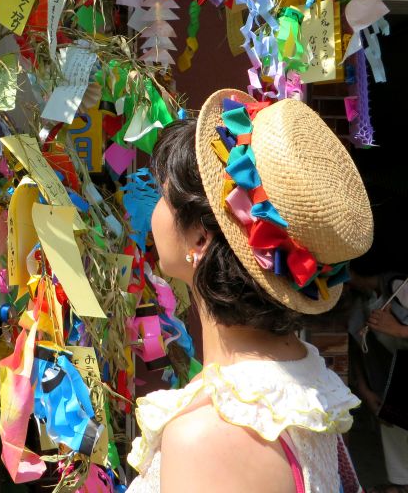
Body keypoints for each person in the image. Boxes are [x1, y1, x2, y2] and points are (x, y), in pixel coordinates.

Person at [127, 89, 373, 493]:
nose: (154, 210)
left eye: (163, 196)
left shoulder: (211, 436)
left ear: (201, 238)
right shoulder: (303, 383)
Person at [348, 271, 408, 493]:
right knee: (393, 424)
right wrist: (364, 389)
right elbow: (355, 351)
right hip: (390, 378)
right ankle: (401, 485)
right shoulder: (357, 304)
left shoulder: (397, 287)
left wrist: (400, 330)